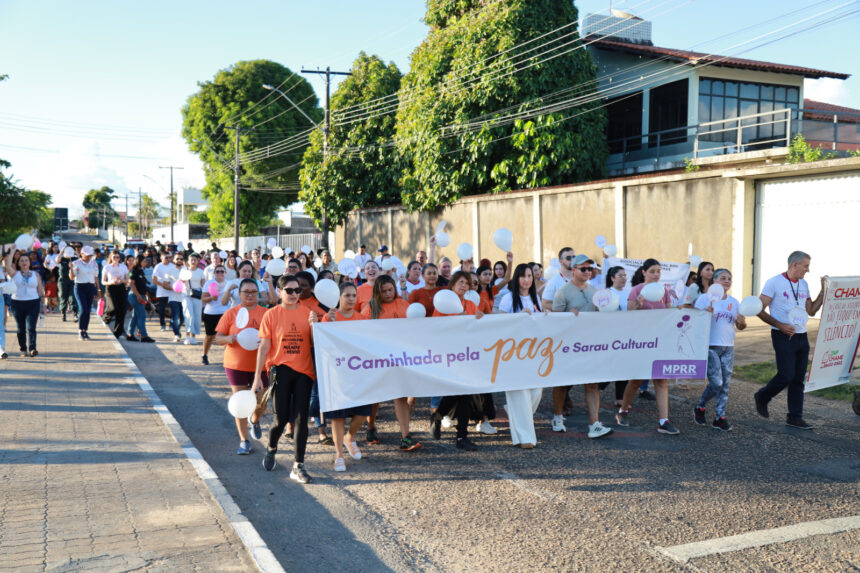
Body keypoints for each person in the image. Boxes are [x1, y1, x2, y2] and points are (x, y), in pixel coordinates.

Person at [254, 275, 319, 483]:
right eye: (289, 291)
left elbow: (315, 343)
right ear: (280, 292)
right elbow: (263, 347)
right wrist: (258, 377)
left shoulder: (309, 314)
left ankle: (298, 466)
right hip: (280, 370)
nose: (294, 294)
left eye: (297, 290)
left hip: (304, 371)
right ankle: (272, 447)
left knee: (302, 419)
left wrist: (316, 327)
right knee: (280, 419)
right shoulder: (271, 315)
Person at [754, 251, 824, 430]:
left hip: (801, 335)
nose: (808, 270)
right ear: (795, 265)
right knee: (786, 375)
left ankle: (794, 417)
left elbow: (812, 311)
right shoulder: (774, 282)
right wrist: (779, 325)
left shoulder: (804, 283)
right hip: (782, 334)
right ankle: (763, 396)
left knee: (798, 378)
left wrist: (824, 291)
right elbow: (758, 309)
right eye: (806, 266)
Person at [551, 254, 613, 439]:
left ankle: (594, 423)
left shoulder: (595, 291)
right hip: (568, 346)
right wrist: (566, 315)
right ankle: (557, 417)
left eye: (589, 269)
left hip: (589, 344)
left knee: (592, 384)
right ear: (574, 270)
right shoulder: (562, 292)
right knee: (562, 384)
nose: (587, 272)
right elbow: (554, 320)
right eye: (583, 269)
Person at [616, 258, 679, 435]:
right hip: (641, 342)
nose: (656, 274)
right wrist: (638, 304)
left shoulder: (665, 291)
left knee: (661, 380)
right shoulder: (636, 290)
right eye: (652, 271)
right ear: (644, 272)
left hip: (660, 341)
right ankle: (623, 410)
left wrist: (677, 311)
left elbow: (668, 314)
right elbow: (629, 314)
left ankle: (663, 421)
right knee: (636, 380)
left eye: (658, 271)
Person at [360, 275, 421, 451]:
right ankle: (371, 427)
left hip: (401, 358)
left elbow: (417, 328)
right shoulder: (369, 309)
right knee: (375, 397)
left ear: (395, 289)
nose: (387, 293)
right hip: (377, 358)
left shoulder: (404, 305)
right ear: (377, 292)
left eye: (390, 290)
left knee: (400, 396)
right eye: (384, 291)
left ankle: (406, 436)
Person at [430, 271, 484, 451]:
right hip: (449, 355)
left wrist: (479, 319)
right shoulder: (443, 304)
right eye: (460, 282)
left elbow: (476, 328)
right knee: (458, 393)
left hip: (467, 355)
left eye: (467, 283)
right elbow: (436, 328)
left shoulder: (469, 304)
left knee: (465, 395)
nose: (464, 286)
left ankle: (461, 435)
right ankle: (440, 418)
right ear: (452, 284)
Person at [322, 283, 373, 471]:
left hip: (358, 373)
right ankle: (339, 455)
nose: (351, 299)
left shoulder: (361, 318)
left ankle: (349, 437)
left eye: (354, 295)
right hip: (337, 373)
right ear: (339, 298)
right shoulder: (330, 317)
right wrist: (329, 324)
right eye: (347, 296)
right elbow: (321, 343)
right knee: (338, 416)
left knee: (363, 413)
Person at [216, 278, 270, 455]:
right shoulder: (231, 314)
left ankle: (254, 420)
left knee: (261, 403)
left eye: (254, 292)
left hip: (261, 366)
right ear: (239, 294)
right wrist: (228, 339)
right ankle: (244, 441)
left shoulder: (266, 314)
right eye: (246, 291)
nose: (250, 295)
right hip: (236, 365)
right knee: (239, 402)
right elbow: (218, 338)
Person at [497, 263, 547, 448]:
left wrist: (545, 315)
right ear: (516, 279)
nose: (527, 279)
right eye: (523, 276)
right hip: (512, 354)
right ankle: (525, 438)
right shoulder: (508, 299)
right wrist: (519, 316)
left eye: (529, 276)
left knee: (536, 391)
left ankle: (514, 413)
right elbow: (500, 323)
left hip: (533, 353)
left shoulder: (536, 299)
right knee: (520, 394)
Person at [692, 268, 747, 431]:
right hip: (710, 347)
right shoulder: (704, 299)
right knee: (717, 382)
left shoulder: (734, 302)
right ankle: (700, 407)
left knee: (725, 384)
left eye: (730, 278)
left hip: (728, 347)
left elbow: (741, 326)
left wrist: (741, 321)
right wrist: (705, 313)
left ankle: (720, 417)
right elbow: (694, 322)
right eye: (723, 278)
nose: (727, 281)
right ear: (714, 281)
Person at [4, 245, 44, 357]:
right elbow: (7, 266)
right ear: (18, 263)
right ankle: (23, 349)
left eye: (26, 260)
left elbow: (40, 289)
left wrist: (44, 304)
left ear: (30, 262)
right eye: (21, 261)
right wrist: (12, 252)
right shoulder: (15, 274)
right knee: (20, 328)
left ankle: (32, 348)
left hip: (33, 303)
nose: (24, 262)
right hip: (18, 303)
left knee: (31, 327)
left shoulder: (35, 275)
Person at [201, 263, 230, 365]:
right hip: (210, 313)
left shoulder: (228, 284)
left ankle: (227, 359)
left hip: (225, 313)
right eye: (217, 271)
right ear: (214, 273)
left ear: (225, 273)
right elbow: (203, 299)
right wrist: (211, 298)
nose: (220, 273)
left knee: (226, 336)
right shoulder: (209, 283)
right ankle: (204, 355)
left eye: (222, 271)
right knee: (210, 336)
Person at [70, 246, 100, 341]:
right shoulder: (76, 263)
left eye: (90, 255)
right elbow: (71, 277)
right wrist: (71, 268)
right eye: (87, 255)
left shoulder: (94, 263)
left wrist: (98, 289)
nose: (88, 257)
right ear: (81, 254)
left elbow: (96, 277)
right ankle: (80, 330)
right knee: (83, 308)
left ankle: (85, 330)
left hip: (90, 287)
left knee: (88, 310)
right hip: (79, 287)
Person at [126, 254, 155, 343]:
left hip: (141, 295)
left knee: (135, 316)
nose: (145, 262)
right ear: (139, 261)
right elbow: (131, 284)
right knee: (142, 315)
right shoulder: (133, 271)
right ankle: (144, 335)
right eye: (144, 261)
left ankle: (130, 334)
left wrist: (147, 296)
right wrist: (138, 296)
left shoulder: (141, 271)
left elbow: (144, 284)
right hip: (135, 295)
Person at [101, 250, 129, 340]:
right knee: (113, 307)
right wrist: (111, 282)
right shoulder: (107, 267)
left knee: (122, 310)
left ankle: (118, 333)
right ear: (111, 258)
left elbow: (127, 280)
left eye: (118, 257)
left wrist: (121, 281)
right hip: (110, 288)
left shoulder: (123, 267)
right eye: (114, 257)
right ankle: (106, 318)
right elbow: (103, 281)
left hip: (120, 287)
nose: (116, 259)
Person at [181, 253, 206, 345]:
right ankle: (187, 336)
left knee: (196, 315)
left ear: (198, 261)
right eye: (191, 260)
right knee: (188, 314)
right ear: (188, 261)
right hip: (186, 294)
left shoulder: (200, 272)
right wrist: (183, 280)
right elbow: (180, 282)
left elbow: (203, 284)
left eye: (195, 260)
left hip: (197, 294)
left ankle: (193, 336)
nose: (193, 261)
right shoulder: (184, 270)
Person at [58, 247, 78, 322]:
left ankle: (75, 313)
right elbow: (57, 260)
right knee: (63, 296)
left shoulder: (74, 259)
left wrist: (76, 253)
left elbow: (80, 260)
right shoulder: (62, 259)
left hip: (72, 280)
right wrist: (62, 251)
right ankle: (63, 313)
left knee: (72, 297)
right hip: (63, 280)